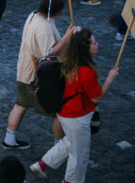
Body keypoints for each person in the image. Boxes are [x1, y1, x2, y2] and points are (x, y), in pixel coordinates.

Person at [30, 28, 119, 183]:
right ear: (86, 48)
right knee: (79, 155)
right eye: (94, 43)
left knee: (70, 143)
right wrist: (110, 79)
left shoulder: (70, 62)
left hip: (65, 112)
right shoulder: (86, 71)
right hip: (77, 116)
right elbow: (96, 97)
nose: (98, 45)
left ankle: (42, 165)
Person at [3, 0, 74, 150]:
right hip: (34, 76)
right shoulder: (45, 27)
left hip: (24, 69)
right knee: (57, 110)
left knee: (21, 104)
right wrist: (67, 38)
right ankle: (59, 146)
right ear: (59, 10)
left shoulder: (34, 14)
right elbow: (49, 54)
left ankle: (9, 138)